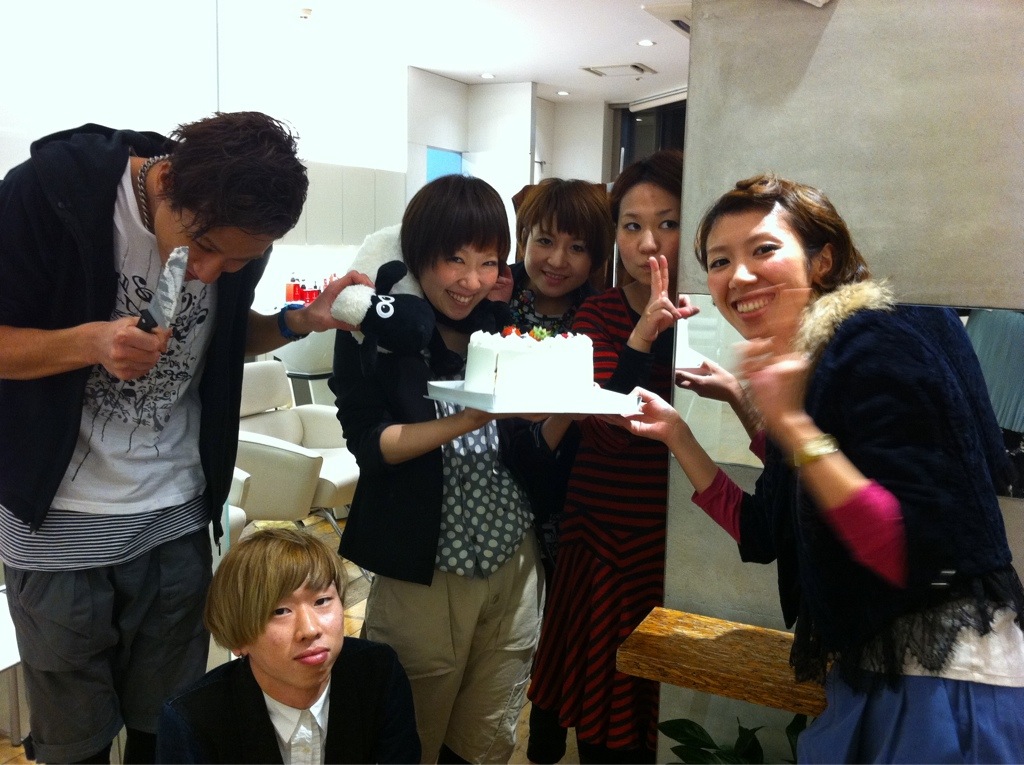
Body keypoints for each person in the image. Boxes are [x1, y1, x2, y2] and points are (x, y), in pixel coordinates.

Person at [0, 112, 369, 764]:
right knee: (74, 745)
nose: (208, 272)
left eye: (239, 261)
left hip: (176, 523)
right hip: (58, 531)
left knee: (168, 730)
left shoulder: (235, 235)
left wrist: (297, 321)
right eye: (201, 248)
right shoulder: (49, 194)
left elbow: (221, 336)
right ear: (167, 180)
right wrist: (91, 342)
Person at [624, 173, 1024, 762]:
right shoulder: (817, 358)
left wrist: (790, 425)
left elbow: (901, 548)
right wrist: (683, 430)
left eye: (763, 249)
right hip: (877, 676)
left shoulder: (876, 341)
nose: (739, 277)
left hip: (945, 684)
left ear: (823, 260)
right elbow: (763, 531)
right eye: (719, 261)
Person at [329, 174, 545, 764]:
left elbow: (523, 444)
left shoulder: (497, 327)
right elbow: (371, 445)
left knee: (488, 729)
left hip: (512, 556)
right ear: (419, 254)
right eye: (455, 260)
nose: (471, 280)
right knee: (411, 726)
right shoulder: (374, 333)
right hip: (423, 564)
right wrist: (469, 419)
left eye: (487, 262)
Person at [525, 149, 696, 764]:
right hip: (603, 535)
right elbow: (609, 432)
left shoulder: (710, 315)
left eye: (668, 223)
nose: (649, 243)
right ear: (615, 237)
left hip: (680, 538)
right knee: (603, 717)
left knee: (665, 715)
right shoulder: (596, 314)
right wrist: (642, 334)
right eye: (632, 226)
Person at [506, 177, 615, 764]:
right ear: (524, 237)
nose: (557, 260)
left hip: (572, 490)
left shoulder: (599, 317)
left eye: (577, 248)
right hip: (497, 484)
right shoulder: (495, 301)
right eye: (545, 241)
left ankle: (548, 733)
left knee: (563, 620)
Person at [155, 527, 420, 764]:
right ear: (239, 639)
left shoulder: (378, 673)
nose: (310, 629)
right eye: (280, 611)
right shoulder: (192, 721)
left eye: (322, 601)